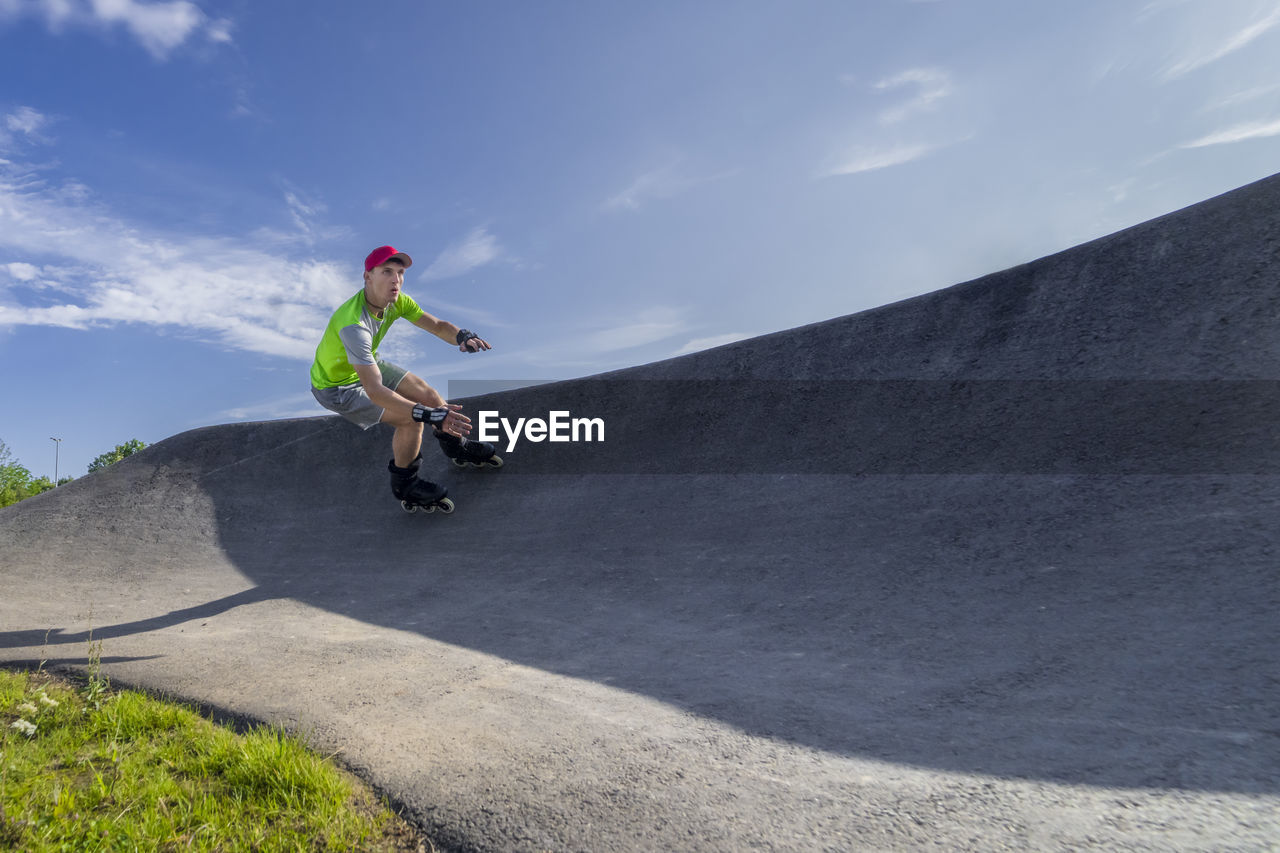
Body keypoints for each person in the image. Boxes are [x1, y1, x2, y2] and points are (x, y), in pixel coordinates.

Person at [310, 245, 499, 507]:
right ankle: (406, 485)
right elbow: (375, 390)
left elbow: (436, 326)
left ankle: (456, 447)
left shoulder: (397, 301)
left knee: (430, 396)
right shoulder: (353, 325)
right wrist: (426, 414)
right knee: (411, 420)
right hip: (337, 387)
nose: (395, 279)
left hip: (366, 364)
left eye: (399, 272)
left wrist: (462, 336)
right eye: (386, 272)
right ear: (368, 277)